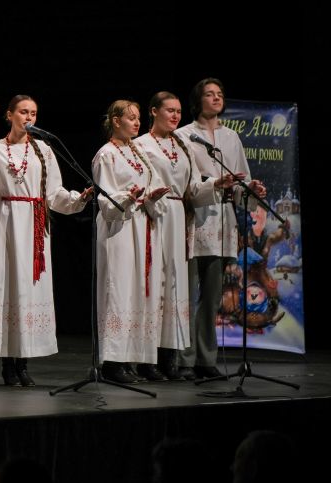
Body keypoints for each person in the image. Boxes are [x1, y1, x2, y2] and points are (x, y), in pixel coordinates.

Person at [0, 95, 91, 386]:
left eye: (33, 113)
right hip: (8, 223)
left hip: (35, 224)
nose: (29, 117)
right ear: (9, 115)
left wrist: (78, 199)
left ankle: (24, 363)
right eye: (23, 112)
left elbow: (54, 194)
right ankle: (8, 364)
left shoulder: (44, 149)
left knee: (30, 291)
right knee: (7, 288)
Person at [135, 92, 231, 381]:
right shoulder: (141, 145)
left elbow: (193, 189)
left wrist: (216, 184)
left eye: (178, 111)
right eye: (169, 110)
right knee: (154, 287)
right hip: (153, 217)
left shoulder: (184, 145)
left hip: (178, 218)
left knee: (174, 289)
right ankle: (147, 360)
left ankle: (170, 359)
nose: (175, 116)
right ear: (154, 111)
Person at [175, 79, 266, 380]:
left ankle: (206, 359)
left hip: (222, 221)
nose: (216, 98)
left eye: (220, 94)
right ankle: (184, 360)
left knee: (212, 297)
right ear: (197, 100)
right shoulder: (184, 135)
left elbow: (241, 182)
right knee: (188, 296)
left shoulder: (231, 137)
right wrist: (213, 184)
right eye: (209, 94)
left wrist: (250, 189)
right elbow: (182, 182)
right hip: (193, 219)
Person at [92, 100, 170, 383]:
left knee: (137, 291)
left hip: (141, 225)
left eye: (138, 118)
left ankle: (131, 359)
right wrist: (128, 197)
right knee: (119, 290)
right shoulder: (106, 154)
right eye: (131, 118)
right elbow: (106, 200)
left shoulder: (138, 152)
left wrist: (151, 197)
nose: (137, 123)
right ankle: (113, 363)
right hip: (119, 228)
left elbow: (150, 185)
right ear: (116, 121)